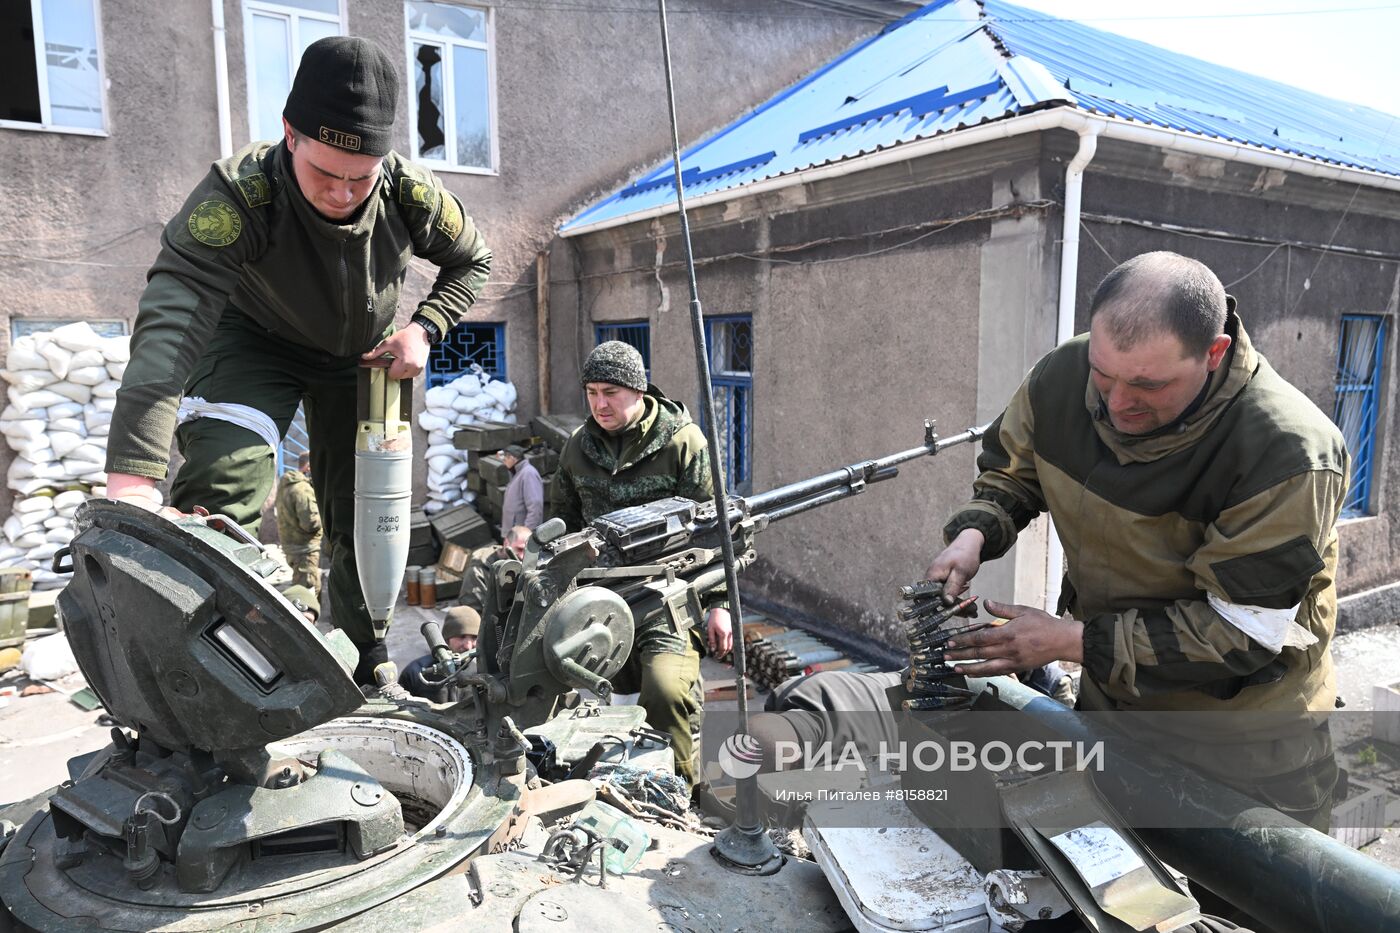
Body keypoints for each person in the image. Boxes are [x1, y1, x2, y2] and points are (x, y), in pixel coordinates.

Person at [103, 37, 491, 687]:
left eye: (359, 176)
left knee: (364, 511)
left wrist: (425, 328)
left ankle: (364, 655)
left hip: (363, 355)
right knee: (223, 481)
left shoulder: (410, 192)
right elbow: (169, 323)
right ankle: (208, 668)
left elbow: (471, 260)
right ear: (289, 135)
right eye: (325, 173)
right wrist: (133, 472)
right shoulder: (239, 196)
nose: (342, 193)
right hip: (254, 340)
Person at [928, 251, 1347, 830]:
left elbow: (1239, 634)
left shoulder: (1286, 453)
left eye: (1149, 385)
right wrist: (974, 534)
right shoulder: (1065, 375)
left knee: (1266, 898)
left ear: (1214, 353)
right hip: (1115, 707)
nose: (1117, 403)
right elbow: (1014, 471)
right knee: (1119, 891)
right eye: (1105, 375)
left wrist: (1067, 642)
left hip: (1246, 742)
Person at [549, 340, 734, 787]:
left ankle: (678, 794)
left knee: (667, 690)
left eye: (610, 392)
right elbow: (560, 523)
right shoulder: (578, 447)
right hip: (598, 600)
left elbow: (716, 530)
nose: (599, 403)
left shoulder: (683, 442)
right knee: (556, 692)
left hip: (667, 595)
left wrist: (720, 603)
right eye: (591, 392)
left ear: (638, 391)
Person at [398, 605, 479, 702]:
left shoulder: (481, 672)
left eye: (474, 638)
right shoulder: (416, 672)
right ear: (447, 639)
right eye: (461, 637)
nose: (468, 646)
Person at [275, 451, 322, 593]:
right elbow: (310, 523)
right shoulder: (302, 488)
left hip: (292, 546)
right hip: (304, 549)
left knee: (303, 586)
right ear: (308, 467)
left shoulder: (286, 485)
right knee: (307, 592)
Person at [460, 524, 529, 614]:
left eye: (526, 551)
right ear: (506, 543)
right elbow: (472, 611)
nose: (522, 556)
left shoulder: (529, 563)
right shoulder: (479, 570)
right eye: (519, 549)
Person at [499, 444, 543, 533]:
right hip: (514, 533)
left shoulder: (528, 473)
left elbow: (535, 505)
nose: (504, 462)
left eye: (505, 459)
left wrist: (526, 531)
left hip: (522, 536)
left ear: (512, 458)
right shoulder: (517, 472)